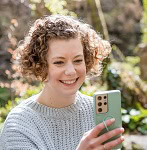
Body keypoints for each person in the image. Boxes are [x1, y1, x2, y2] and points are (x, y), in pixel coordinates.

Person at [0, 15, 124, 150]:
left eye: (77, 60)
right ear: (40, 66)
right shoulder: (19, 125)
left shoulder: (97, 113)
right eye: (59, 62)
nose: (71, 71)